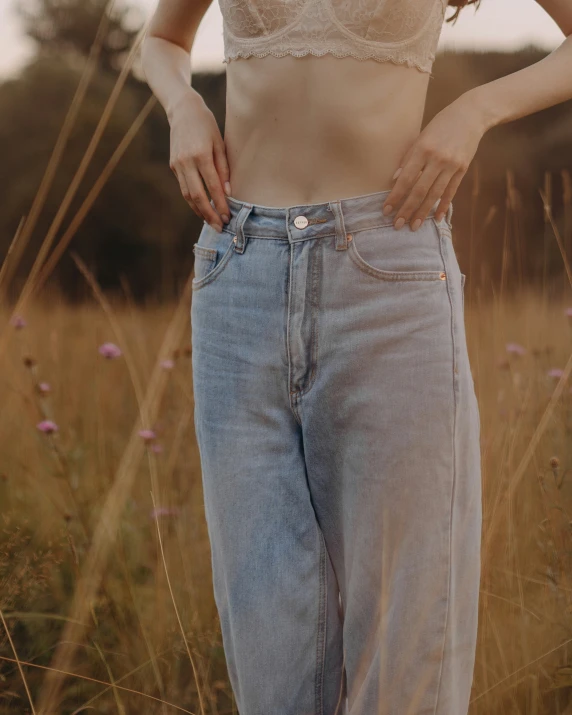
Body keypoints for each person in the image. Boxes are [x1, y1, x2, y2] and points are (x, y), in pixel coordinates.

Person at [141, 1, 572, 712]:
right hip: (237, 269)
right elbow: (162, 38)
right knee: (268, 638)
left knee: (406, 639)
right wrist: (182, 103)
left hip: (388, 271)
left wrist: (474, 110)